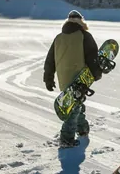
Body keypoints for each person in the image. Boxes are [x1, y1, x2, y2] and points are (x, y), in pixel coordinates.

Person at [43, 10, 104, 148]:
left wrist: (48, 78)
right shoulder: (84, 36)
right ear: (81, 21)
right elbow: (92, 58)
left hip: (63, 78)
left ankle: (82, 129)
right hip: (79, 78)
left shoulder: (58, 38)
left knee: (76, 103)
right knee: (74, 108)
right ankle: (66, 138)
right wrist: (97, 73)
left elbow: (50, 60)